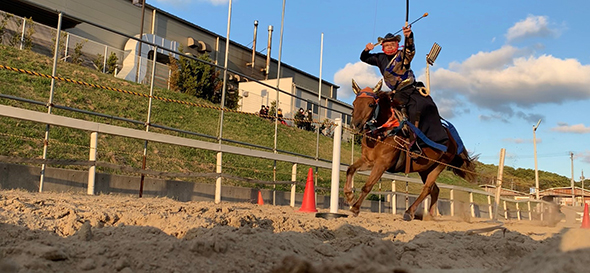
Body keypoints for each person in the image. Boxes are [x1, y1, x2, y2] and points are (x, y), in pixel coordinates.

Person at [360, 25, 448, 149]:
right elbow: (364, 58)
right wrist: (366, 50)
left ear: (397, 45)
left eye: (392, 44)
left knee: (421, 107)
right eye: (387, 45)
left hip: (410, 89)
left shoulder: (403, 56)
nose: (390, 47)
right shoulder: (380, 58)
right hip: (395, 92)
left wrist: (409, 36)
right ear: (382, 47)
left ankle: (416, 139)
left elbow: (410, 50)